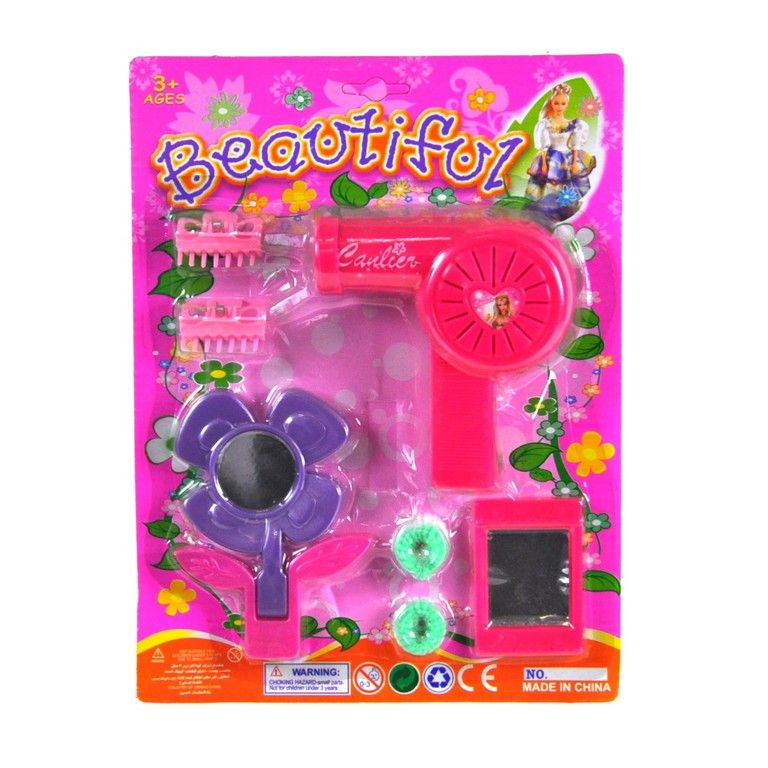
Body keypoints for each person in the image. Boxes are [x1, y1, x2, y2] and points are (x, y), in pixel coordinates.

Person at [525, 83, 596, 219]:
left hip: (567, 158)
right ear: (551, 103)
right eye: (556, 103)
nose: (559, 107)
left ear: (567, 104)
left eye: (563, 104)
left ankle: (564, 209)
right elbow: (544, 146)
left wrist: (574, 163)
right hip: (551, 158)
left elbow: (575, 145)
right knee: (548, 185)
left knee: (568, 184)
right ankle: (547, 210)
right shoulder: (545, 124)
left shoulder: (575, 124)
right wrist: (544, 164)